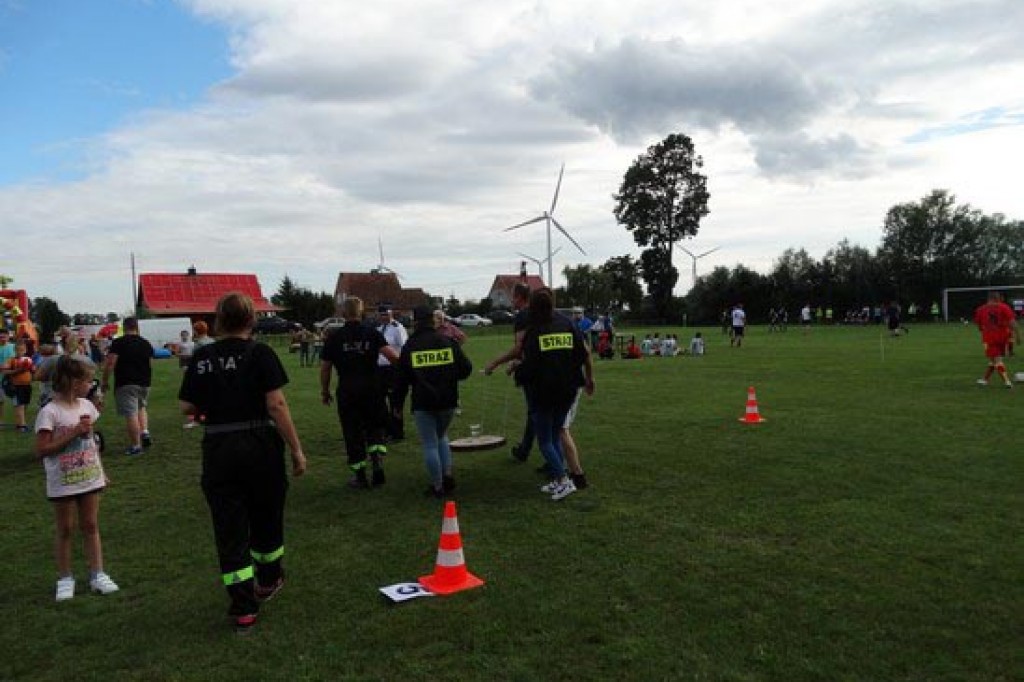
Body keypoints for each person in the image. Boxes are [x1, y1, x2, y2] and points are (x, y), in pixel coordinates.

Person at [178, 292, 307, 633]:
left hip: (219, 446)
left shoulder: (203, 357)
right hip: (259, 444)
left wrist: (212, 409)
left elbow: (187, 407)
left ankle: (243, 606)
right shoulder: (261, 353)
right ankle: (267, 580)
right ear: (251, 320)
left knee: (229, 526)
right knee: (266, 513)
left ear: (219, 320)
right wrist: (296, 449)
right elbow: (276, 405)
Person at [35, 355, 119, 601]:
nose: (90, 384)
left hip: (90, 477)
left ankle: (98, 574)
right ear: (73, 382)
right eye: (87, 380)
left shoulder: (86, 407)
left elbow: (91, 442)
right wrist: (73, 432)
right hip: (63, 481)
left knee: (91, 526)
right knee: (65, 529)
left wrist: (102, 472)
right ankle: (65, 577)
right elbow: (42, 450)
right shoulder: (49, 412)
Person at [516, 288, 594, 501]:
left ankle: (562, 480)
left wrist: (518, 371)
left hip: (544, 392)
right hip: (568, 389)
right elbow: (583, 353)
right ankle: (560, 477)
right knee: (556, 432)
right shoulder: (568, 324)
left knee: (545, 441)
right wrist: (589, 377)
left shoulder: (535, 331)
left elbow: (530, 365)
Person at [320, 297, 397, 489]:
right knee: (375, 427)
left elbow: (325, 368)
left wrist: (325, 391)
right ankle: (377, 462)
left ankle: (360, 475)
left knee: (352, 432)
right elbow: (393, 356)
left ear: (343, 314)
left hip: (348, 391)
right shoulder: (372, 333)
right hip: (373, 389)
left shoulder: (334, 337)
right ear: (361, 313)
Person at [396, 305, 473, 498]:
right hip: (448, 400)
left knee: (430, 443)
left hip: (423, 401)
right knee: (442, 437)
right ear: (433, 321)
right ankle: (447, 475)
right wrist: (449, 376)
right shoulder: (447, 341)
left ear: (415, 323)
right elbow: (466, 369)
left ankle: (438, 486)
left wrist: (396, 406)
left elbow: (401, 381)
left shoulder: (410, 346)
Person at [484, 282, 534, 463]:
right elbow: (531, 347)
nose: (511, 301)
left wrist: (495, 363)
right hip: (545, 367)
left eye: (513, 296)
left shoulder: (522, 316)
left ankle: (526, 450)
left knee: (535, 412)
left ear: (520, 297)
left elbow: (520, 347)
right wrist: (516, 362)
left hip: (533, 372)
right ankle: (526, 449)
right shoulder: (540, 314)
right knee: (539, 414)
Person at [101, 317, 154, 456]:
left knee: (130, 413)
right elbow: (150, 364)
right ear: (137, 327)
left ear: (124, 327)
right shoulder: (146, 343)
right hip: (144, 382)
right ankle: (145, 432)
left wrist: (105, 381)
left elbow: (111, 363)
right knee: (141, 407)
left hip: (126, 382)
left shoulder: (118, 343)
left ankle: (136, 446)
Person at [375, 305, 408, 441]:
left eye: (386, 314)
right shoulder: (377, 329)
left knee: (395, 402)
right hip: (379, 369)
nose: (383, 317)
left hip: (393, 369)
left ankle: (397, 432)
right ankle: (386, 429)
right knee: (379, 401)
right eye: (381, 315)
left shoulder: (397, 328)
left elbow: (404, 348)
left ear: (391, 314)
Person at [973, 291, 1015, 388]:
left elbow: (979, 326)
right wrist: (1015, 335)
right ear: (998, 298)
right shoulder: (1004, 307)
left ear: (989, 299)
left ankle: (1007, 381)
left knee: (997, 360)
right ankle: (985, 380)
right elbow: (1012, 322)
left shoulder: (981, 309)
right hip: (1003, 337)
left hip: (990, 338)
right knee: (994, 360)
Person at [4, 341, 34, 432]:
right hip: (16, 386)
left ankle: (20, 423)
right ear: (15, 350)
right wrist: (17, 370)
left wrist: (32, 369)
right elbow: (5, 371)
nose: (20, 352)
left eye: (22, 350)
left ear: (25, 350)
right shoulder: (12, 360)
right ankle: (22, 426)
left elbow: (33, 370)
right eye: (18, 350)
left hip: (27, 385)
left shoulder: (28, 359)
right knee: (19, 405)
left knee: (24, 405)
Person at [0, 329, 15, 427]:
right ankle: (0, 422)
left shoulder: (13, 347)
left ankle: (20, 421)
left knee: (19, 400)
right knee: (0, 401)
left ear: (8, 336)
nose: (2, 338)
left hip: (12, 377)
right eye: (0, 336)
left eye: (4, 336)